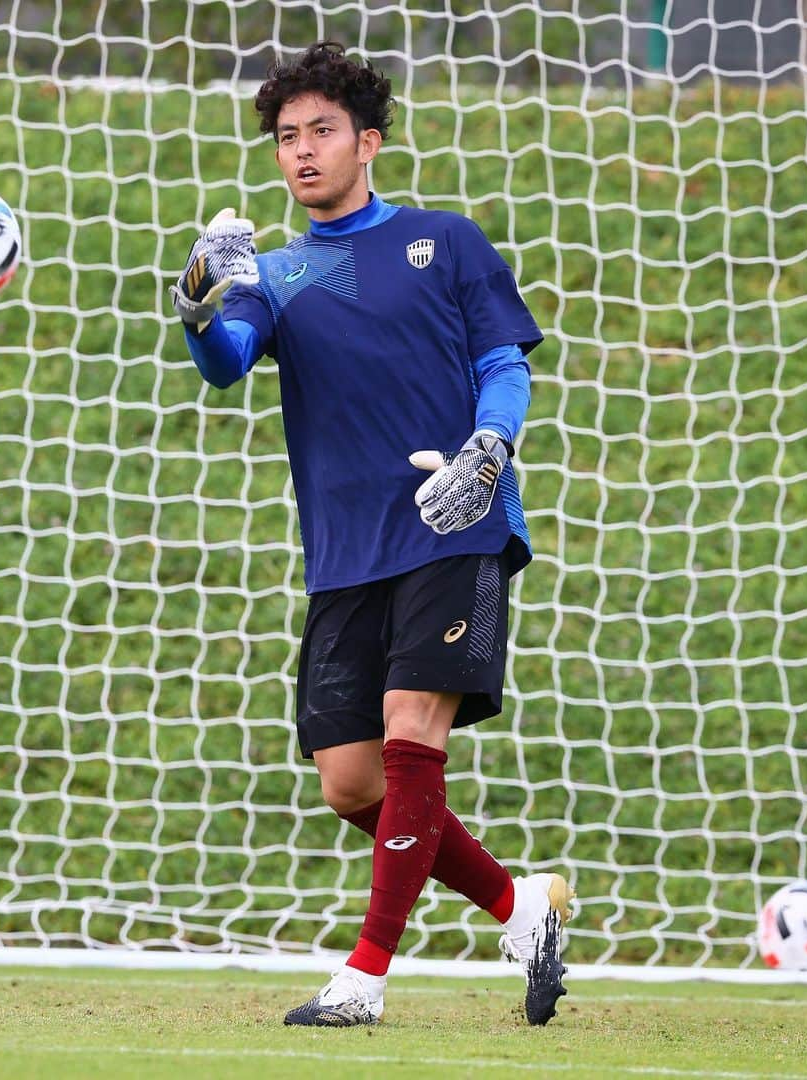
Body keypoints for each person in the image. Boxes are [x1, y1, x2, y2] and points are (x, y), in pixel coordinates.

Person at [169, 41, 573, 1028]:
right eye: (286, 137)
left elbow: (503, 364)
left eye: (321, 131)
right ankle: (524, 910)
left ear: (370, 141)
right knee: (351, 784)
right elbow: (226, 363)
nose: (301, 151)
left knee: (407, 732)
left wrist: (491, 445)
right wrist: (193, 301)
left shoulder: (448, 241)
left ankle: (364, 978)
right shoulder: (276, 273)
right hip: (347, 549)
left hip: (454, 518)